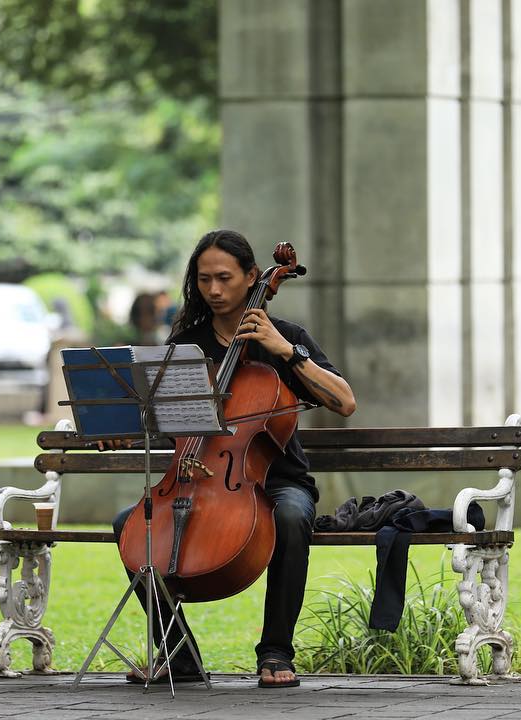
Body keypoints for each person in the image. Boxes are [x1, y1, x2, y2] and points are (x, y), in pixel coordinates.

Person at [105, 229, 356, 688]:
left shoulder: (287, 337)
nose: (214, 290)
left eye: (224, 278)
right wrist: (123, 431)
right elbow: (161, 418)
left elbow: (344, 402)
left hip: (274, 480)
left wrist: (287, 352)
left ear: (252, 277)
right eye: (204, 280)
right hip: (194, 475)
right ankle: (178, 654)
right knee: (129, 524)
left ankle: (277, 651)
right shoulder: (187, 341)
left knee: (294, 515)